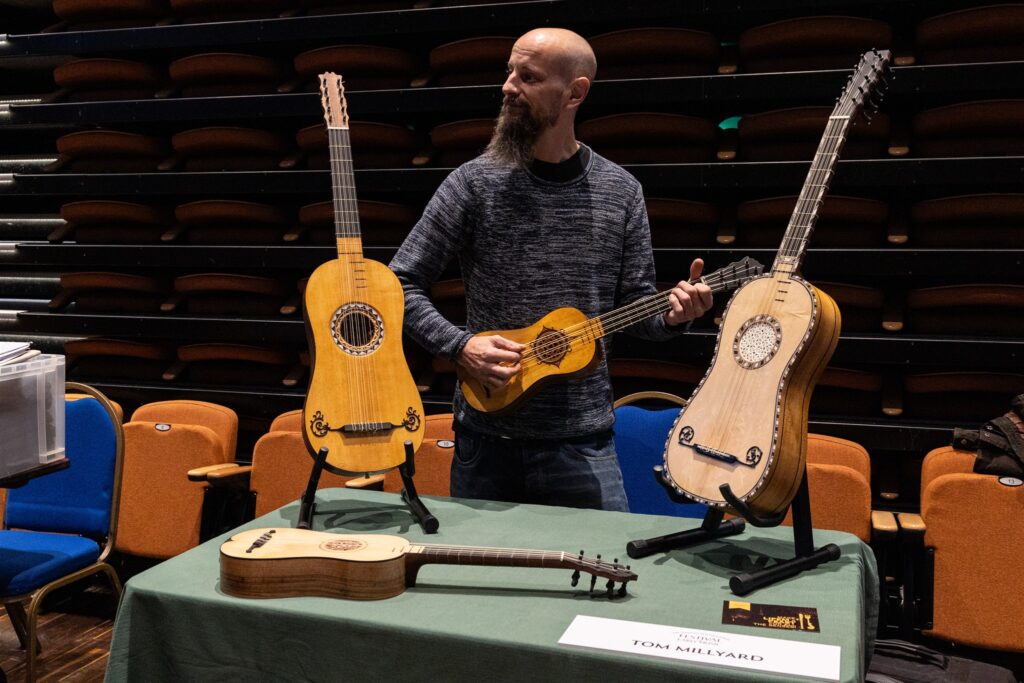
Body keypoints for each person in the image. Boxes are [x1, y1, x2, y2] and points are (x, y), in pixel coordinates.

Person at [389, 28, 712, 511]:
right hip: (486, 443)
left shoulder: (621, 191)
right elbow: (399, 283)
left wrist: (671, 316)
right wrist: (460, 346)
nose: (508, 87)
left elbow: (635, 307)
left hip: (583, 443)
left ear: (574, 93)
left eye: (529, 77)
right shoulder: (473, 183)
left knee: (602, 561)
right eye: (509, 72)